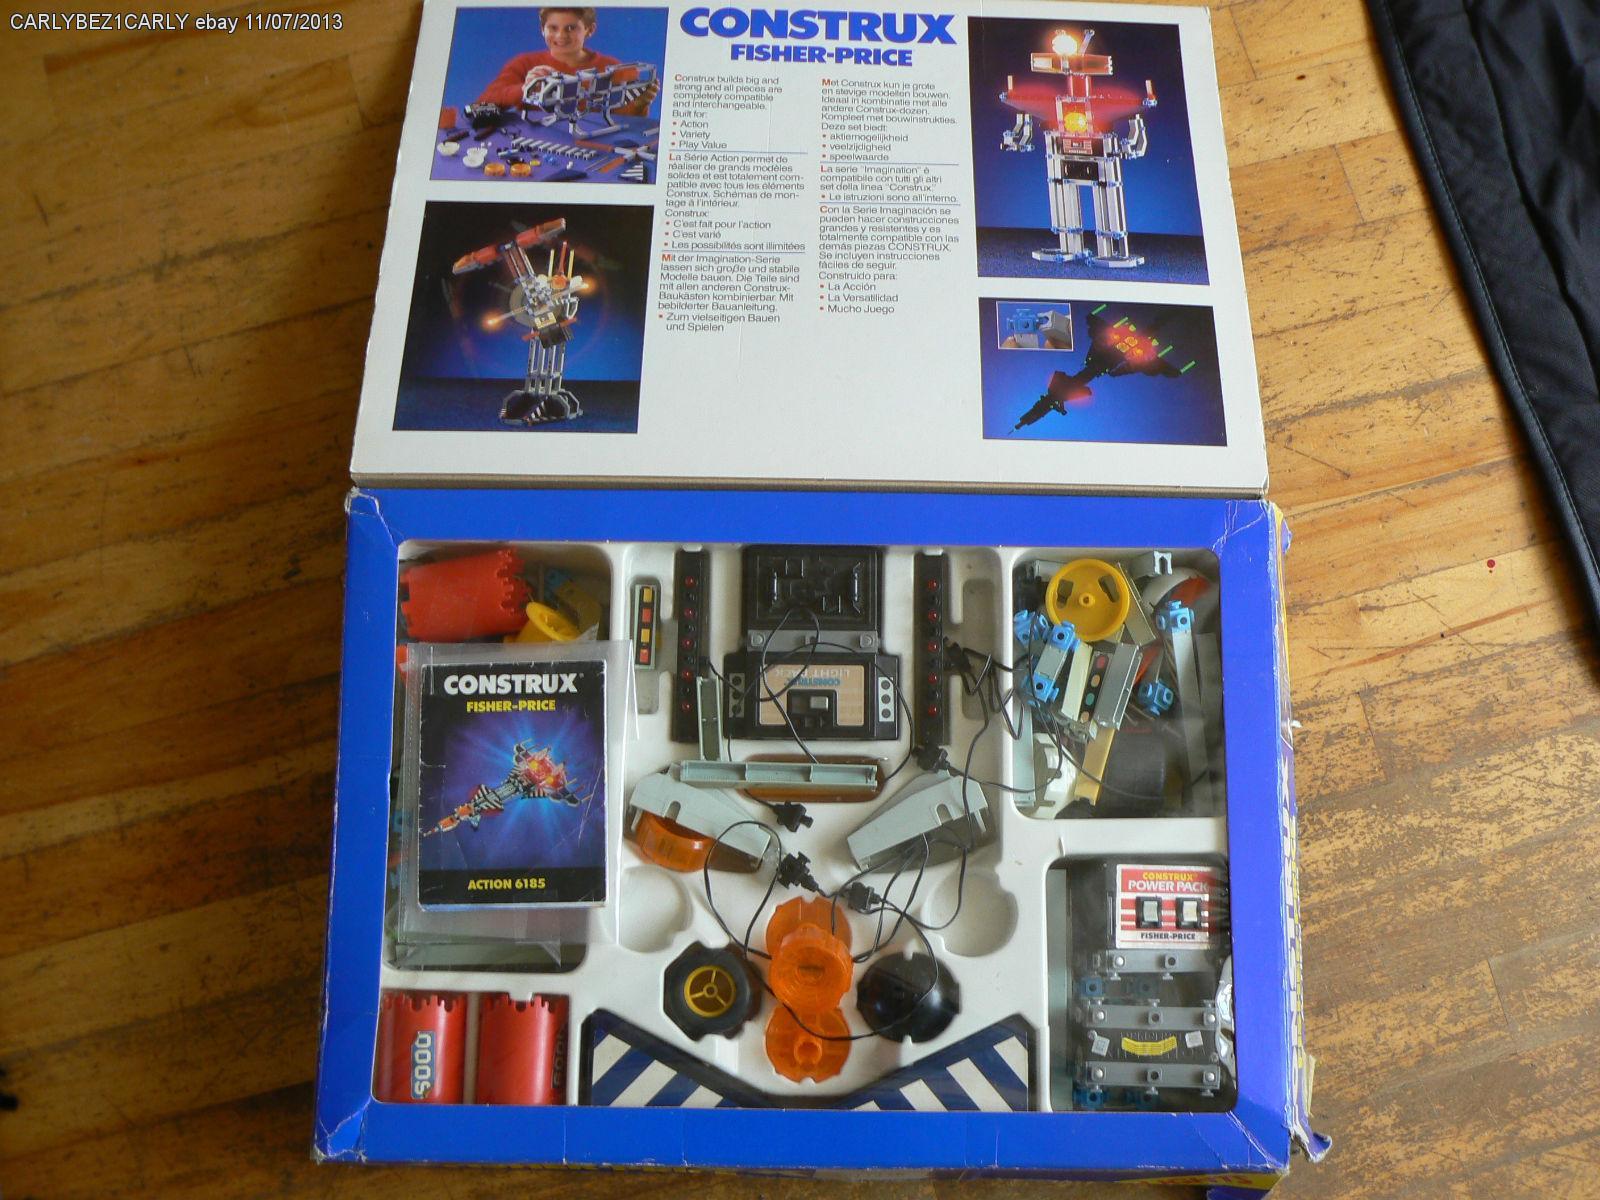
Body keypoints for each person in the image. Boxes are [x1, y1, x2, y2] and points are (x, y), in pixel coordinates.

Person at [476, 7, 658, 115]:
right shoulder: (524, 63)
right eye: (553, 28)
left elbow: (624, 120)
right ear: (542, 29)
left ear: (589, 29)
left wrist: (638, 105)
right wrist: (525, 88)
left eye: (571, 28)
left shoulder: (614, 69)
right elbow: (484, 102)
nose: (560, 36)